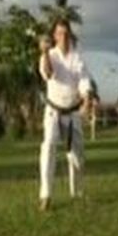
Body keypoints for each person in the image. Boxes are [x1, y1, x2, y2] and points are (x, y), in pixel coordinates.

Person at [38, 19, 93, 211]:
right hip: (53, 111)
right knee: (49, 146)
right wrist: (44, 52)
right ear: (54, 36)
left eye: (66, 33)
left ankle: (76, 191)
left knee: (77, 156)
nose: (63, 37)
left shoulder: (77, 58)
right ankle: (46, 195)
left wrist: (86, 102)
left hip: (72, 113)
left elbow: (84, 82)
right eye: (60, 33)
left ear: (70, 35)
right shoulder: (49, 55)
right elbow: (48, 73)